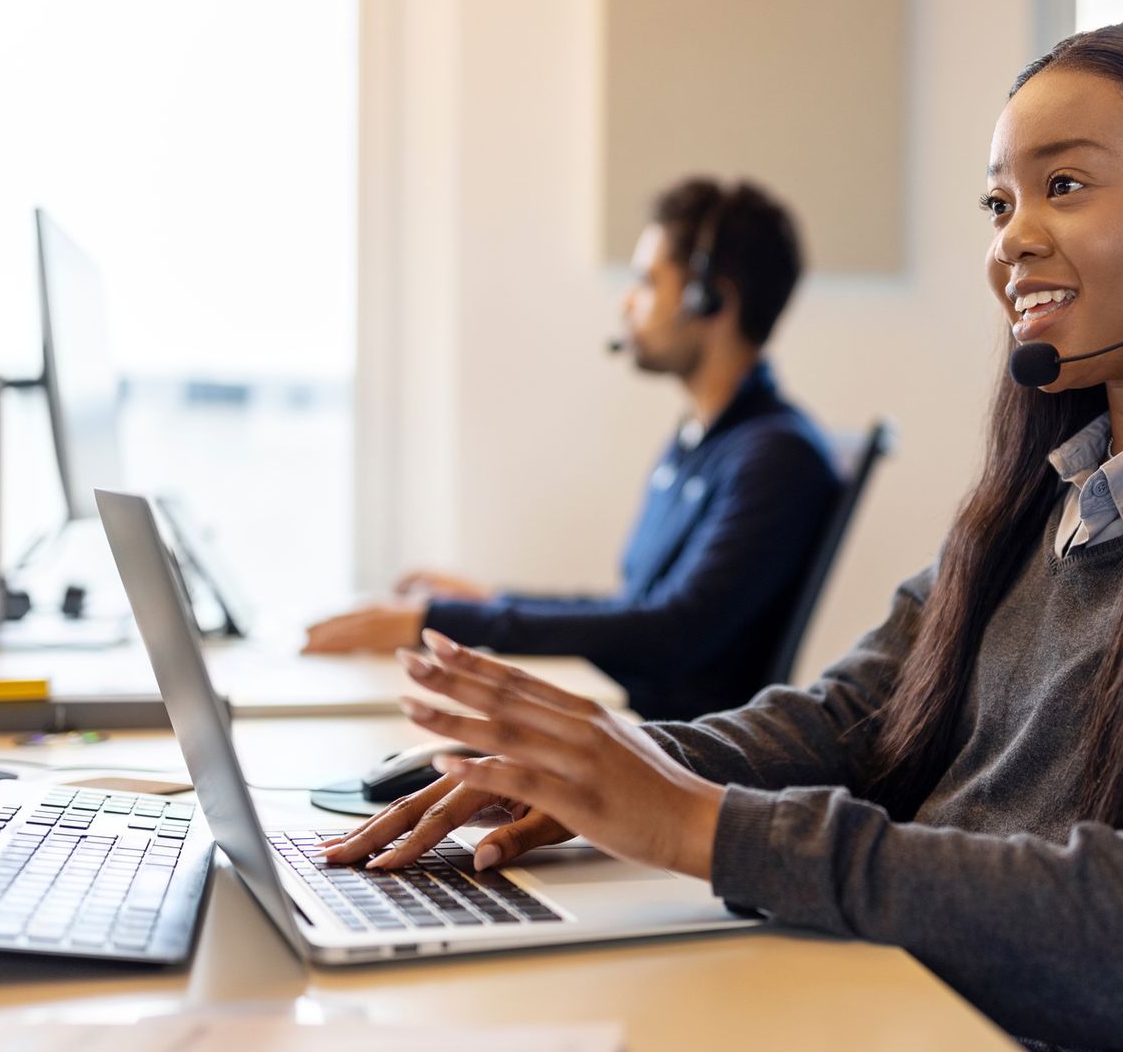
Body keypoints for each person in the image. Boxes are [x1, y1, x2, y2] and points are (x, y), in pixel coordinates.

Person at [319, 12, 1123, 1052]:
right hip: (945, 1003)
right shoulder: (1054, 490)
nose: (1013, 242)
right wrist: (611, 774)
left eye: (1063, 185)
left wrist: (696, 826)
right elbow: (849, 720)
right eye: (998, 205)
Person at [303, 178, 842, 721]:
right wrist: (489, 601)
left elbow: (670, 631)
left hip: (671, 747)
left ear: (712, 297)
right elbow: (633, 608)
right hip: (630, 721)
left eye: (646, 281)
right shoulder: (701, 441)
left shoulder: (775, 457)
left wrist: (437, 619)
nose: (628, 302)